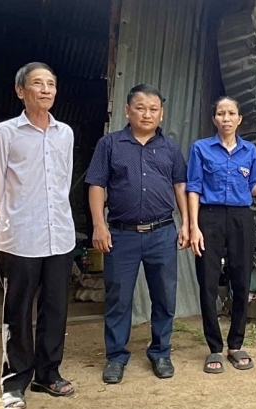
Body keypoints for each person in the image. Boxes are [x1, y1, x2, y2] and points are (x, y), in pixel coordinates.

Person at [0, 62, 76, 409]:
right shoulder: (4, 133)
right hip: (20, 237)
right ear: (20, 90)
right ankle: (15, 382)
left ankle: (48, 373)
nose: (46, 90)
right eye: (37, 83)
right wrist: (12, 218)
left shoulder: (64, 133)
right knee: (18, 311)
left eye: (51, 84)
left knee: (56, 308)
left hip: (60, 235)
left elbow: (64, 180)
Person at [85, 84, 189, 383]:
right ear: (127, 110)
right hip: (121, 234)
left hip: (162, 233)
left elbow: (180, 185)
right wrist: (98, 225)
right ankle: (116, 357)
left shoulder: (169, 148)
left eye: (153, 108)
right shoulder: (110, 144)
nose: (147, 113)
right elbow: (96, 185)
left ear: (161, 113)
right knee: (119, 299)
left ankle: (160, 352)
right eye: (140, 107)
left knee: (165, 297)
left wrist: (186, 223)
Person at [187, 96, 256, 373]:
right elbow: (194, 188)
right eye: (221, 113)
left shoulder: (249, 151)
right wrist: (194, 226)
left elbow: (251, 189)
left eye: (231, 113)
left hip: (241, 218)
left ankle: (235, 345)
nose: (226, 118)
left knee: (241, 280)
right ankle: (214, 347)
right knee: (208, 282)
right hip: (208, 218)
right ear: (214, 119)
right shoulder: (201, 149)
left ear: (239, 119)